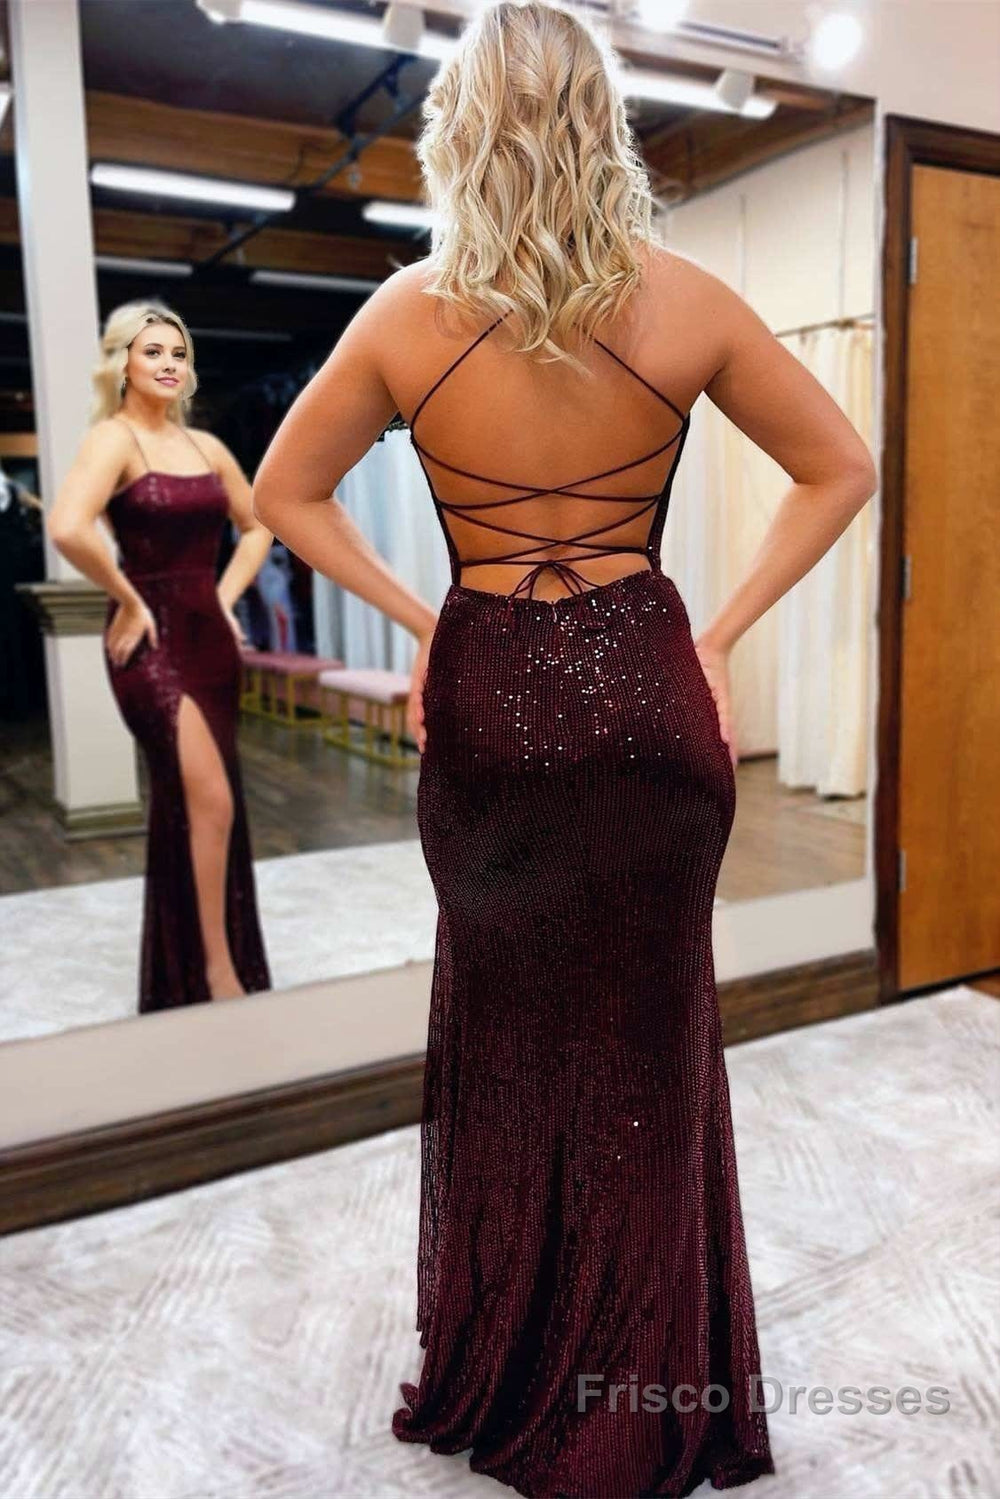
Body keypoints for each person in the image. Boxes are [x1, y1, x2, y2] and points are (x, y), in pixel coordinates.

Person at [251, 3, 877, 1490]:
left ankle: (518, 1357)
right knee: (653, 1045)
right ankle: (645, 1384)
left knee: (511, 1036)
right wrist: (715, 633)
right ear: (606, 125)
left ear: (456, 132)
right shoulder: (691, 297)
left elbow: (284, 492)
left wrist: (427, 616)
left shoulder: (403, 314)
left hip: (491, 691)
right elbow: (840, 466)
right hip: (646, 685)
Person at [48, 301, 273, 1011]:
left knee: (203, 801)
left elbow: (259, 524)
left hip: (208, 638)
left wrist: (225, 597)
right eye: (153, 351)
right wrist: (127, 596)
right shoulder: (112, 439)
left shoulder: (206, 447)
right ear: (122, 364)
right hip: (148, 640)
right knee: (210, 799)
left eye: (179, 352)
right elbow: (67, 527)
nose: (169, 363)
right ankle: (215, 972)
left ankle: (189, 966)